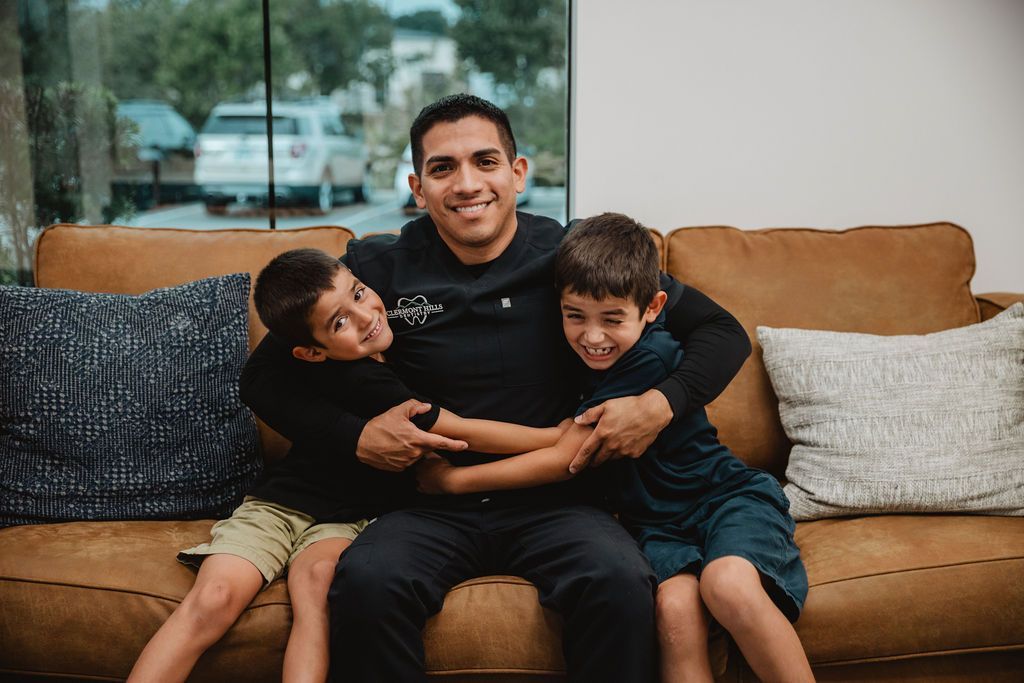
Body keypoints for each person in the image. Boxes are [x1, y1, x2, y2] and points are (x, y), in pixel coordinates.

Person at [239, 94, 752, 682]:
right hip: (427, 502)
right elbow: (264, 377)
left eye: (485, 161)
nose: (466, 184)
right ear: (417, 186)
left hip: (559, 498)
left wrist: (659, 405)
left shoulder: (571, 255)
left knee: (618, 579)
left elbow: (722, 330)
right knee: (367, 582)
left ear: (517, 172)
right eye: (442, 168)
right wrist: (355, 438)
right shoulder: (377, 272)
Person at [128, 248, 570, 683]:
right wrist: (556, 437)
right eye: (339, 322)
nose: (365, 316)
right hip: (278, 504)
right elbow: (460, 429)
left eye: (358, 294)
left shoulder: (389, 353)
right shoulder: (360, 379)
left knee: (317, 596)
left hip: (349, 520)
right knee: (214, 598)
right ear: (311, 352)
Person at [416, 212, 813, 683]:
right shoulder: (582, 355)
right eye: (575, 316)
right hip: (656, 524)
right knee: (674, 609)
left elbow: (569, 454)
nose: (593, 336)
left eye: (612, 319)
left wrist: (452, 479)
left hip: (723, 498)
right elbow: (560, 434)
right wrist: (446, 421)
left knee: (726, 584)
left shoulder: (650, 356)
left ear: (652, 307)